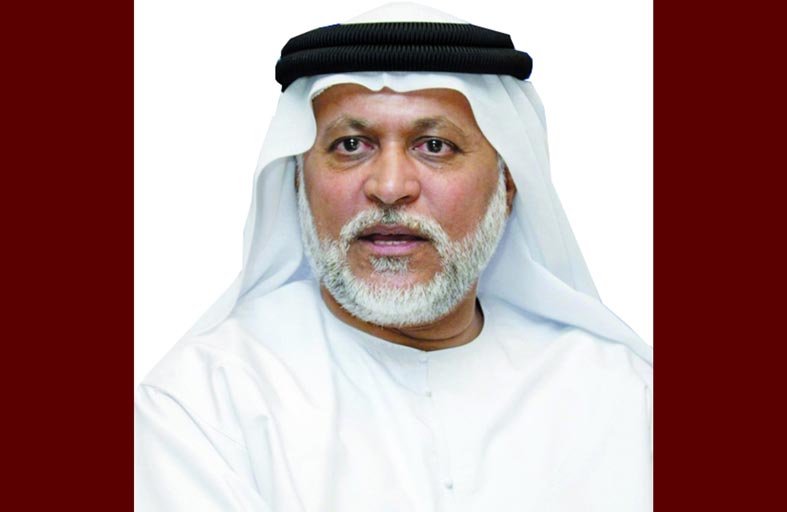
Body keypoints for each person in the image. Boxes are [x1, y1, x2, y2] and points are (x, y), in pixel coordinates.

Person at [135, 3, 652, 511]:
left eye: (435, 146)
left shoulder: (620, 396)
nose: (389, 187)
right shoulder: (207, 403)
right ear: (298, 181)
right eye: (351, 145)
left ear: (508, 183)